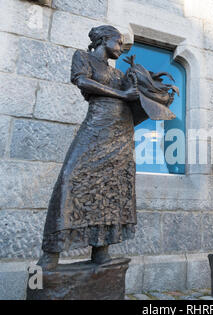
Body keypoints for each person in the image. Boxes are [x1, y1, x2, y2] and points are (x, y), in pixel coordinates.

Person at [37, 25, 141, 270]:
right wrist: (123, 95)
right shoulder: (83, 58)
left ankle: (101, 250)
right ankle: (51, 252)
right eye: (118, 42)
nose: (121, 48)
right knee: (69, 179)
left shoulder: (118, 74)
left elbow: (136, 96)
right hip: (96, 127)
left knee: (111, 189)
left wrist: (148, 87)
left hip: (120, 134)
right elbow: (83, 81)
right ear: (104, 40)